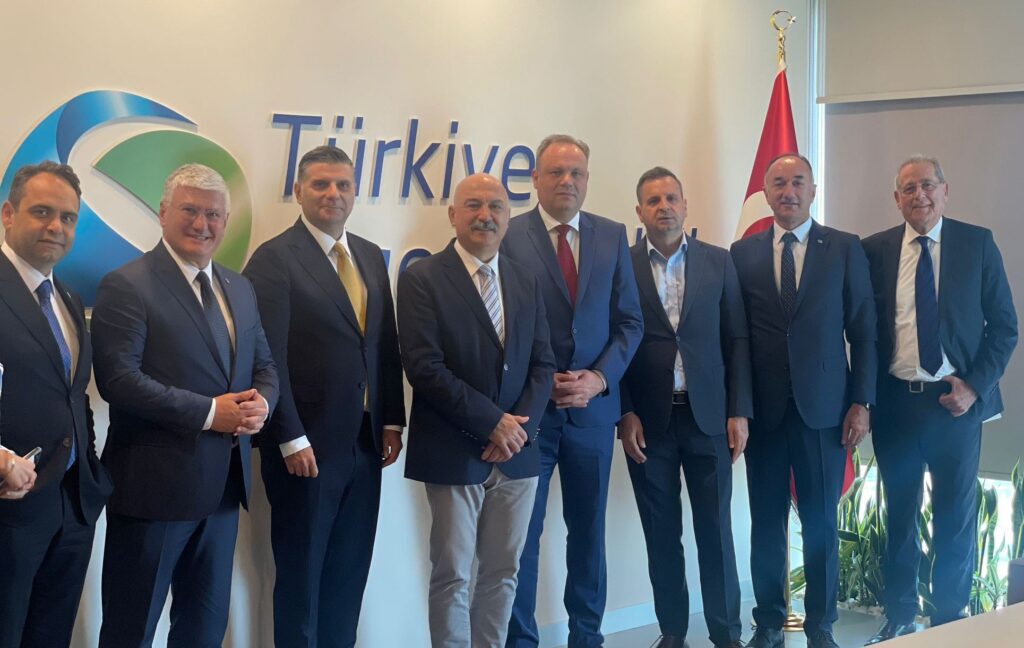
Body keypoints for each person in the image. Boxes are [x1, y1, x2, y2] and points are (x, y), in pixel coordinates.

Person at [92, 163, 279, 647]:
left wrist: (262, 405)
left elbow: (264, 366)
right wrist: (211, 413)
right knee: (131, 631)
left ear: (226, 221)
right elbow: (119, 381)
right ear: (162, 213)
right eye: (190, 211)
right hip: (153, 493)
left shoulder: (240, 288)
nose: (202, 224)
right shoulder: (127, 285)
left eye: (213, 214)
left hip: (223, 493)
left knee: (204, 631)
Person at [243, 145, 406, 647]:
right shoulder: (274, 259)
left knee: (348, 577)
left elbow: (383, 344)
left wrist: (391, 420)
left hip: (364, 445)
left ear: (355, 193)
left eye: (343, 185)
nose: (333, 193)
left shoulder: (369, 256)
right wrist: (290, 436)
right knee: (302, 581)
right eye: (320, 184)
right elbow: (266, 358)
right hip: (305, 450)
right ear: (298, 191)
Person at [862, 155, 1017, 643]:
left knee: (955, 520)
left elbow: (1005, 327)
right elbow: (863, 332)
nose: (920, 196)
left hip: (955, 405)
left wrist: (974, 387)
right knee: (900, 516)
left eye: (928, 185)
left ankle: (949, 623)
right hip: (896, 404)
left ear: (945, 191)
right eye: (909, 188)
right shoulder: (874, 250)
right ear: (897, 199)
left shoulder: (977, 243)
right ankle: (900, 617)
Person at [397, 173, 555, 647]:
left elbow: (543, 363)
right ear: (453, 215)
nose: (485, 215)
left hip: (519, 453)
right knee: (453, 575)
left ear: (508, 218)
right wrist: (492, 423)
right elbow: (424, 367)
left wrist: (517, 430)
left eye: (496, 206)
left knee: (504, 572)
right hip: (454, 448)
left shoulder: (525, 278)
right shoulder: (422, 278)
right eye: (473, 205)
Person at [730, 153, 876, 648]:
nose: (788, 191)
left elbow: (864, 332)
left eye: (798, 182)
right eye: (778, 183)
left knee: (821, 525)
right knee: (766, 524)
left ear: (813, 190)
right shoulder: (743, 253)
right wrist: (739, 408)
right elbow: (737, 339)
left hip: (826, 412)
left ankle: (821, 626)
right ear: (766, 192)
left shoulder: (844, 247)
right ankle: (769, 622)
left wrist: (862, 402)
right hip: (765, 413)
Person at [503, 134, 643, 648]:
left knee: (588, 535)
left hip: (593, 414)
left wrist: (598, 379)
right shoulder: (510, 234)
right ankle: (521, 641)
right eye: (556, 172)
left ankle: (588, 637)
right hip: (529, 417)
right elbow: (501, 324)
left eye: (576, 173)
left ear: (587, 180)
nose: (567, 181)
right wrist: (540, 384)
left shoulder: (612, 235)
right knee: (521, 539)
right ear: (535, 179)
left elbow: (629, 322)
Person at [620, 167, 751, 648]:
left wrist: (738, 410)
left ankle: (726, 634)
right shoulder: (622, 264)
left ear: (685, 204)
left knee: (716, 532)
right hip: (648, 423)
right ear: (639, 211)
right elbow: (612, 342)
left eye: (671, 198)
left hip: (709, 418)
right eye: (653, 200)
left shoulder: (719, 261)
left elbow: (737, 339)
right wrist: (624, 412)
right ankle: (673, 632)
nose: (664, 207)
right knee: (661, 533)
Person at [0, 161, 113, 647]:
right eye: (42, 212)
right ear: (8, 214)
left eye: (67, 217)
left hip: (71, 507)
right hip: (9, 511)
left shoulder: (66, 297)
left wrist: (89, 469)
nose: (56, 227)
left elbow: (73, 394)